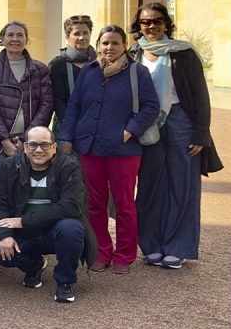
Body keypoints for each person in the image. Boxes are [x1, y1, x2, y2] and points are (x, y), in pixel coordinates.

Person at [129, 3, 223, 269]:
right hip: (147, 124)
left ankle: (177, 247)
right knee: (149, 186)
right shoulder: (133, 53)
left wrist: (201, 133)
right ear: (139, 26)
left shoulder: (183, 53)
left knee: (183, 185)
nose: (152, 26)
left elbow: (200, 95)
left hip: (181, 120)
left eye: (157, 21)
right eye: (146, 22)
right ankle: (151, 245)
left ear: (166, 23)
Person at [59, 25, 158, 274]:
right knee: (94, 203)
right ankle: (101, 251)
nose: (109, 48)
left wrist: (130, 129)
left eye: (115, 43)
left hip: (123, 149)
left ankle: (124, 255)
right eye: (105, 43)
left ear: (124, 46)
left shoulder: (138, 73)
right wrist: (67, 137)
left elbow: (150, 107)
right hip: (90, 148)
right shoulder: (89, 72)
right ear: (99, 45)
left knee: (124, 204)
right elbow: (74, 106)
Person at [0, 126, 99, 303]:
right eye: (32, 145)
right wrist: (3, 236)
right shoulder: (9, 166)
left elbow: (70, 207)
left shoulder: (69, 166)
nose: (38, 150)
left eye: (45, 145)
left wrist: (24, 221)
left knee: (72, 228)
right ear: (24, 146)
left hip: (56, 232)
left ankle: (65, 282)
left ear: (54, 147)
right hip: (25, 235)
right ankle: (34, 267)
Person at [0, 21, 54, 156]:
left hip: (31, 143)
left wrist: (26, 139)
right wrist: (4, 140)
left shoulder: (39, 69)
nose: (15, 39)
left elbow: (46, 106)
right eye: (10, 35)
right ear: (2, 39)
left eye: (20, 35)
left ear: (26, 40)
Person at [48, 15, 95, 136]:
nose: (82, 37)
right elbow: (58, 100)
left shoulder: (100, 62)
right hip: (67, 126)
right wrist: (73, 124)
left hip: (96, 126)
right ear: (67, 37)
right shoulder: (57, 65)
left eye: (86, 33)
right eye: (76, 33)